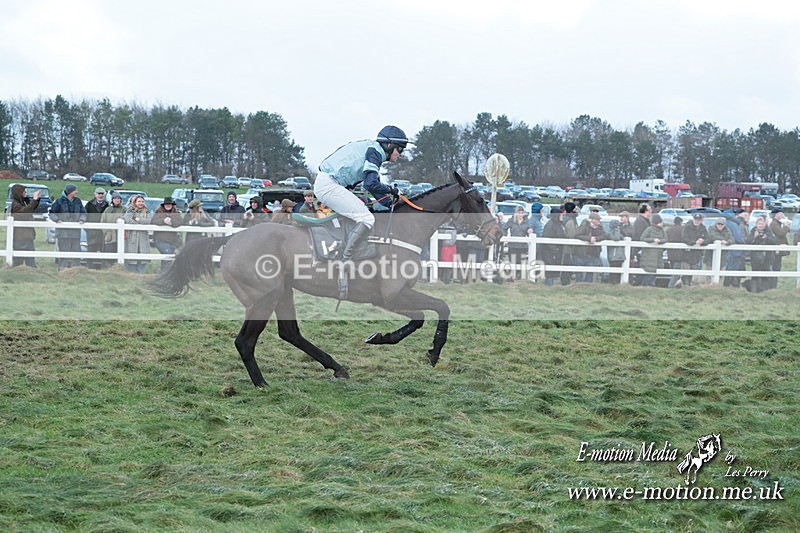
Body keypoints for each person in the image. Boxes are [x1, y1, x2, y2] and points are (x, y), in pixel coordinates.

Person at [313, 125, 407, 263]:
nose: (401, 153)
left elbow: (373, 187)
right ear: (389, 145)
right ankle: (345, 259)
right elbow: (370, 184)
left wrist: (391, 203)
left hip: (330, 184)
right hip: (329, 185)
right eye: (400, 149)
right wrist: (392, 190)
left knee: (364, 213)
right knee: (366, 218)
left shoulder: (374, 150)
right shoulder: (375, 152)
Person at [49, 183, 87, 270]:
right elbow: (52, 213)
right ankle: (63, 270)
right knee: (63, 252)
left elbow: (83, 213)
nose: (77, 192)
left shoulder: (78, 201)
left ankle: (76, 271)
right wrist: (57, 220)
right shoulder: (59, 201)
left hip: (75, 232)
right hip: (63, 233)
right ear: (70, 192)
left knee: (76, 252)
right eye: (75, 190)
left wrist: (82, 219)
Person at [9, 184, 41, 267]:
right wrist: (33, 200)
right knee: (18, 260)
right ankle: (18, 274)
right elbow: (25, 212)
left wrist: (36, 199)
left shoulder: (23, 202)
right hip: (20, 236)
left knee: (30, 259)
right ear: (19, 192)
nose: (25, 192)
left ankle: (31, 272)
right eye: (24, 191)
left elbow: (31, 208)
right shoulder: (15, 205)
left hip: (27, 235)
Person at [745, 216, 776, 293]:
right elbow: (747, 241)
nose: (760, 225)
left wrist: (766, 238)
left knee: (765, 272)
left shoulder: (768, 231)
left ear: (765, 224)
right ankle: (754, 290)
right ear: (756, 224)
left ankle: (764, 290)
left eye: (762, 224)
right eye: (759, 224)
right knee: (755, 273)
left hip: (766, 256)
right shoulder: (752, 231)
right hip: (755, 256)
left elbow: (774, 241)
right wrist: (755, 237)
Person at [151, 197, 183, 272]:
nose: (168, 205)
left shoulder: (176, 213)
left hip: (172, 240)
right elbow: (153, 221)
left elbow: (180, 222)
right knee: (167, 254)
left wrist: (171, 222)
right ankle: (165, 273)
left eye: (170, 204)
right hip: (160, 239)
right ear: (163, 205)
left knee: (168, 257)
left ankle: (165, 273)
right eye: (166, 204)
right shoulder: (158, 212)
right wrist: (163, 221)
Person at [574, 212, 607, 282]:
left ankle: (587, 286)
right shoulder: (584, 226)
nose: (599, 221)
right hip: (581, 254)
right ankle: (579, 286)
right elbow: (576, 235)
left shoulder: (600, 228)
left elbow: (604, 236)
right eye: (597, 220)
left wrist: (595, 239)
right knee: (579, 273)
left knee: (590, 273)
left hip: (593, 254)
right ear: (593, 220)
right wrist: (589, 239)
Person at [503, 206, 532, 280]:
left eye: (522, 213)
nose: (521, 215)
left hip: (522, 245)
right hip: (512, 244)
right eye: (519, 213)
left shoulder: (527, 221)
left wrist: (530, 232)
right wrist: (505, 238)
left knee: (519, 261)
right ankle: (510, 275)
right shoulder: (511, 220)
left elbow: (529, 232)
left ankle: (518, 275)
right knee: (512, 260)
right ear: (516, 213)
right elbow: (504, 228)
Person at [123, 194, 151, 273]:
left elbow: (149, 221)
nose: (141, 203)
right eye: (139, 201)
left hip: (143, 236)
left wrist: (138, 219)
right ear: (135, 202)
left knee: (142, 256)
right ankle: (131, 273)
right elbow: (128, 220)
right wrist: (140, 223)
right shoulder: (130, 210)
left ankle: (141, 274)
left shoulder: (147, 211)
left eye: (142, 201)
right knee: (132, 256)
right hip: (132, 236)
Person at [84, 187, 109, 269]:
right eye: (99, 194)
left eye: (102, 194)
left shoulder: (108, 205)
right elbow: (84, 217)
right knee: (91, 250)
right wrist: (88, 230)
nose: (100, 195)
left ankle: (104, 269)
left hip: (103, 233)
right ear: (95, 194)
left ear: (104, 195)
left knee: (104, 251)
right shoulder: (89, 205)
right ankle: (89, 268)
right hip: (92, 232)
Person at [724, 209, 750, 288]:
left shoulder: (725, 223)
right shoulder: (733, 224)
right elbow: (738, 237)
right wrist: (745, 245)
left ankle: (726, 284)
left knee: (728, 267)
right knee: (732, 268)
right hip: (735, 250)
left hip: (728, 250)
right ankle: (728, 285)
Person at [639, 214, 667, 286]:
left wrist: (660, 241)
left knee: (655, 271)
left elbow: (666, 239)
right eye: (660, 222)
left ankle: (650, 285)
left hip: (658, 255)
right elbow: (642, 238)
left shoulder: (662, 231)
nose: (662, 223)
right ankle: (645, 285)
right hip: (649, 254)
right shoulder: (649, 229)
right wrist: (653, 240)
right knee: (650, 271)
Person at [539, 207, 565, 286]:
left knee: (553, 269)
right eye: (561, 215)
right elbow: (547, 239)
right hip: (549, 252)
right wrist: (555, 250)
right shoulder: (550, 225)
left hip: (555, 251)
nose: (562, 216)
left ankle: (551, 285)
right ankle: (549, 285)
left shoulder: (558, 224)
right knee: (549, 270)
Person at [681, 213, 708, 286]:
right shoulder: (687, 227)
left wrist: (702, 241)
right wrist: (694, 242)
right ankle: (685, 286)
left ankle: (689, 285)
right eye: (695, 219)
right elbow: (684, 238)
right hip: (687, 253)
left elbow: (708, 239)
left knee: (693, 271)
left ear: (701, 220)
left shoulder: (703, 228)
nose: (697, 221)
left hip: (697, 254)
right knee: (686, 271)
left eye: (698, 220)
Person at [768, 208, 791, 289]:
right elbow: (781, 234)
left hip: (778, 249)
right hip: (776, 250)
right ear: (776, 215)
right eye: (779, 213)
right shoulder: (774, 224)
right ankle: (772, 286)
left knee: (777, 267)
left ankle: (773, 286)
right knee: (776, 267)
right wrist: (786, 226)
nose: (780, 215)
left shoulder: (776, 223)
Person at [607, 211, 632, 284]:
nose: (620, 218)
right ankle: (613, 284)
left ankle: (623, 283)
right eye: (620, 217)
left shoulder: (630, 227)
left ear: (627, 217)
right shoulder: (616, 227)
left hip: (623, 252)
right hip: (615, 253)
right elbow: (616, 237)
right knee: (614, 269)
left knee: (621, 269)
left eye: (622, 217)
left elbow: (628, 235)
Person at [100, 192, 126, 261]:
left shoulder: (124, 209)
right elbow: (103, 221)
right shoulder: (108, 209)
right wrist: (106, 232)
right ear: (112, 200)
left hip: (121, 236)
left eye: (118, 198)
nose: (117, 200)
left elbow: (127, 218)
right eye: (115, 198)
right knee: (109, 255)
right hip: (110, 236)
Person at [561, 202, 579, 285]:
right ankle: (565, 281)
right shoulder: (571, 221)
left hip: (566, 247)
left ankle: (565, 280)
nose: (576, 210)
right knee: (567, 263)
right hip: (569, 248)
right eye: (575, 208)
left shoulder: (565, 218)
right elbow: (572, 234)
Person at [666, 216, 685, 288]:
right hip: (679, 255)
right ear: (680, 222)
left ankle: (673, 285)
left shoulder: (668, 230)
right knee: (676, 272)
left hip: (670, 254)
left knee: (673, 271)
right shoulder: (683, 230)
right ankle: (671, 285)